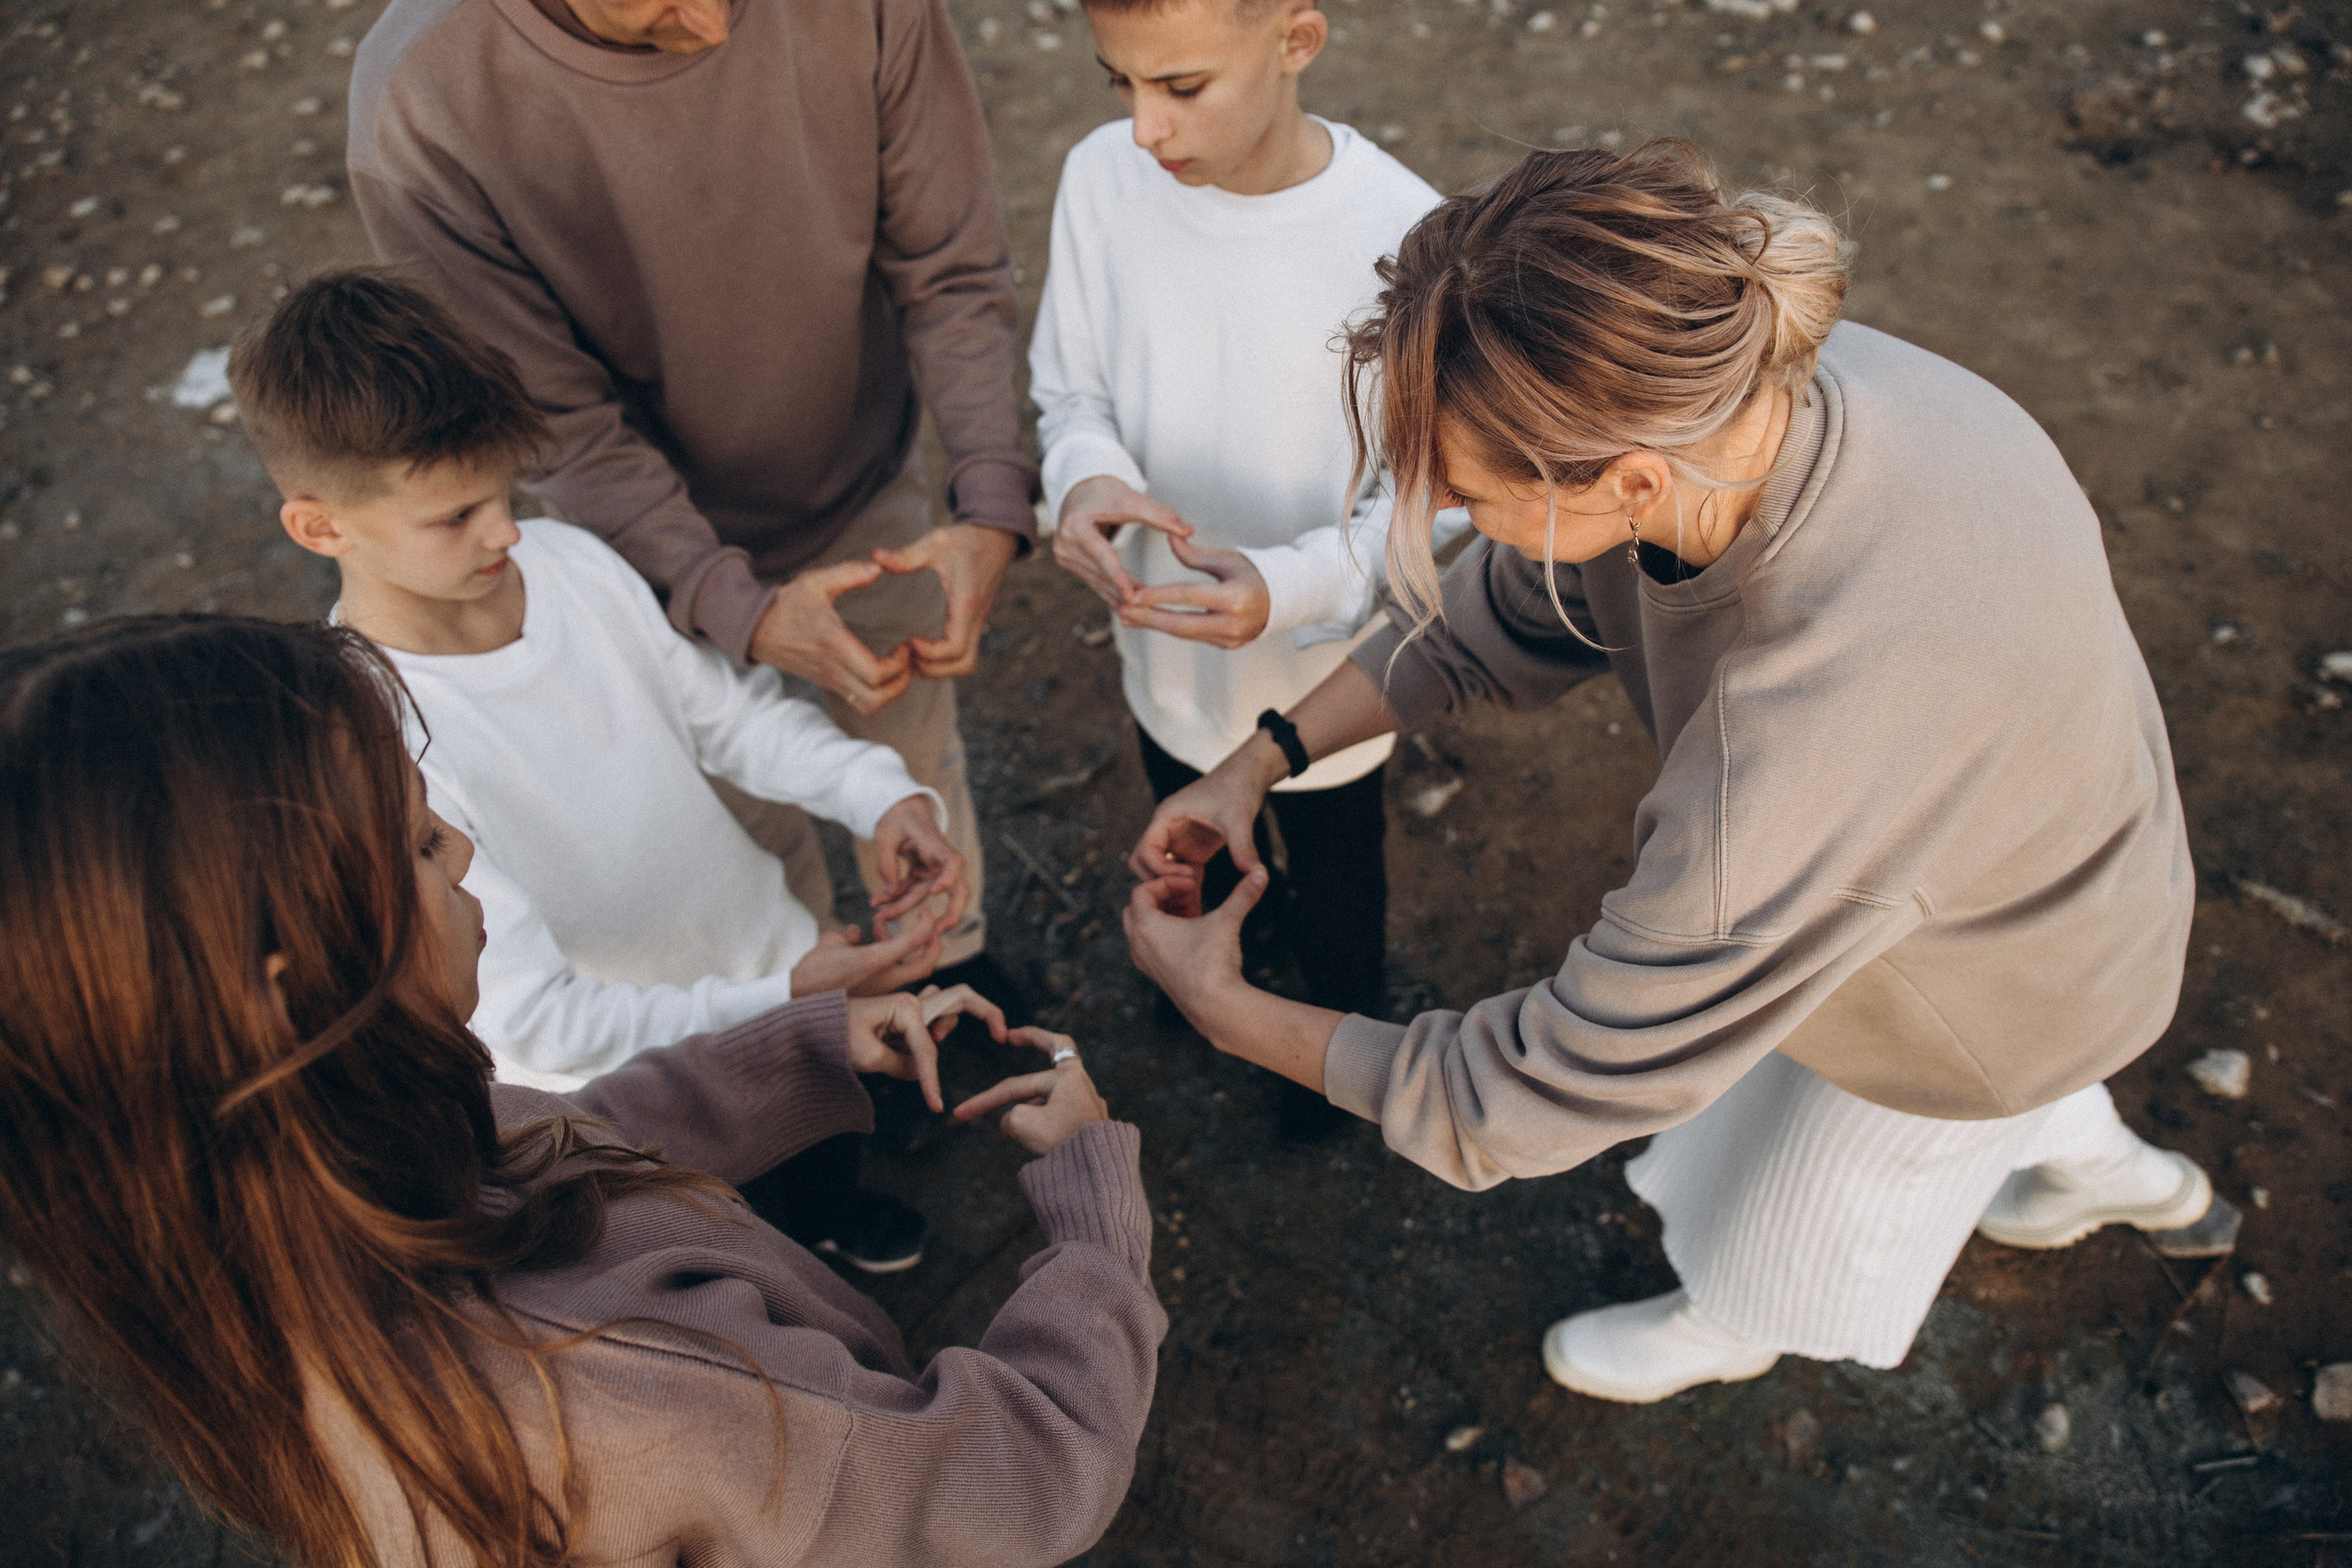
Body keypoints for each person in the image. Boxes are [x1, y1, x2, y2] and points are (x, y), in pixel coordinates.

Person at [1124, 142, 2220, 1401]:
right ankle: (2108, 1164)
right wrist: (1260, 761)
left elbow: (1521, 1094)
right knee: (2019, 1068)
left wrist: (1224, 1007)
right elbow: (1508, 606)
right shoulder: (1752, 385)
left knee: (1791, 1199)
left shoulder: (1790, 761)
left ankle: (1730, 1311)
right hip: (2069, 865)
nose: (1451, 522)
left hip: (1983, 983)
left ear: (1629, 479)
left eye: (1474, 493)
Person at [0, 615, 1162, 1567]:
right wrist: (1091, 1218)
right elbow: (1022, 1475)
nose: (459, 848)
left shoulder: (286, 1208)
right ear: (289, 986)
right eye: (411, 848)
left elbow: (561, 1138)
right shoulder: (647, 1393)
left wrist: (798, 1051)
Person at [235, 270, 969, 1272]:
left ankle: (833, 1213)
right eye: (454, 517)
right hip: (637, 1088)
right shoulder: (372, 740)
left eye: (505, 493)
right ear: (321, 528)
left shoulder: (570, 563)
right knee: (728, 1243)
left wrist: (879, 794)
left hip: (763, 957)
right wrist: (778, 997)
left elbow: (728, 720)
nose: (502, 532)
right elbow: (539, 1016)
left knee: (818, 1147)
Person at [348, 0, 1035, 992]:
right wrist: (730, 606)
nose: (716, 26)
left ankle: (949, 961)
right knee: (741, 812)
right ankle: (820, 1012)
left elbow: (952, 265)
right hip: (637, 558)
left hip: (865, 478)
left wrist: (986, 504)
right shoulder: (423, 97)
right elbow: (560, 424)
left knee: (913, 744)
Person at [1029, 0, 1461, 1136]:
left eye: (1181, 88)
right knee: (1187, 824)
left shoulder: (1409, 239)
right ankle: (1200, 971)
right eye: (1116, 84)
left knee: (1333, 878)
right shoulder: (1100, 180)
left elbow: (1434, 507)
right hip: (1161, 649)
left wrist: (1293, 586)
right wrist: (1081, 481)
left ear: (1296, 41)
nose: (1142, 130)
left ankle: (1328, 1054)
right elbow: (1072, 392)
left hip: (1322, 688)